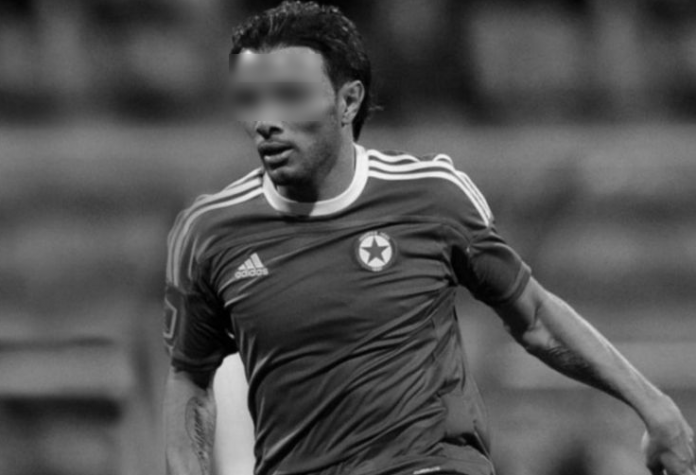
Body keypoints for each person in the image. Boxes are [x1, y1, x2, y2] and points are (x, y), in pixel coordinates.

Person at [162, 2, 695, 475]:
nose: (266, 121)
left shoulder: (430, 195)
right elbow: (189, 380)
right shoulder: (209, 232)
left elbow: (533, 316)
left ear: (349, 102)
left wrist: (656, 408)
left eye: (290, 96)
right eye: (251, 99)